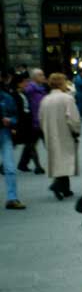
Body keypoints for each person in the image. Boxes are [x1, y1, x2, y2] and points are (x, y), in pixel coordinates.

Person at [39, 73, 81, 200]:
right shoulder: (67, 99)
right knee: (66, 160)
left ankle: (65, 188)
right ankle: (58, 185)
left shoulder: (45, 100)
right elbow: (73, 118)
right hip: (65, 133)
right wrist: (76, 130)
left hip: (50, 133)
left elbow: (40, 118)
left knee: (58, 160)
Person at [0, 69, 25, 209]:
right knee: (9, 166)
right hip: (4, 133)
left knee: (9, 167)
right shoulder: (6, 96)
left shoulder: (6, 96)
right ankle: (12, 197)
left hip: (4, 132)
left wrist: (10, 120)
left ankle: (12, 197)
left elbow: (16, 115)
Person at [12, 73, 45, 175]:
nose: (27, 83)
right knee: (19, 145)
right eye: (24, 82)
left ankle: (35, 166)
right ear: (19, 84)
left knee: (30, 145)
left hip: (28, 123)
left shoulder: (24, 94)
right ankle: (37, 166)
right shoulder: (15, 95)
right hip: (21, 124)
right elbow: (16, 110)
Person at [21, 68, 47, 169]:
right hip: (33, 120)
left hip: (40, 119)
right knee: (34, 143)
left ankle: (23, 163)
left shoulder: (41, 88)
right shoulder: (30, 88)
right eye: (41, 75)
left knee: (31, 143)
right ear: (34, 77)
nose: (43, 77)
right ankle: (38, 167)